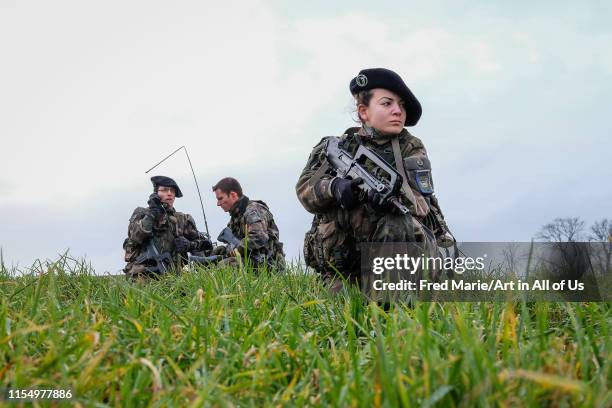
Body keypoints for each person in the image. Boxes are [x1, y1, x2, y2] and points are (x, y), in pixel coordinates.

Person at [296, 67, 453, 290]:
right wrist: (336, 187)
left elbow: (419, 206)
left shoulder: (410, 147)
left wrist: (383, 200)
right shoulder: (335, 147)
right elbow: (305, 190)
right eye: (387, 103)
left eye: (401, 105)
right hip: (347, 263)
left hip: (404, 255)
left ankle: (390, 310)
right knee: (341, 309)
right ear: (363, 111)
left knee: (396, 220)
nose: (398, 111)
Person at [123, 176, 213, 281]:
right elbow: (134, 237)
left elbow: (205, 245)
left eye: (172, 191)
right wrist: (152, 214)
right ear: (156, 193)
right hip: (142, 273)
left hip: (173, 274)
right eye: (164, 190)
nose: (169, 193)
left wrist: (189, 245)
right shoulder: (141, 213)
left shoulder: (182, 219)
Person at [212, 177, 285, 270]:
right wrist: (225, 250)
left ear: (233, 195)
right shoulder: (236, 218)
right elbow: (237, 243)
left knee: (226, 266)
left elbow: (258, 237)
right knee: (213, 262)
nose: (218, 203)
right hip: (252, 260)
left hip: (269, 264)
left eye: (220, 198)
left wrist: (235, 251)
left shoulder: (253, 210)